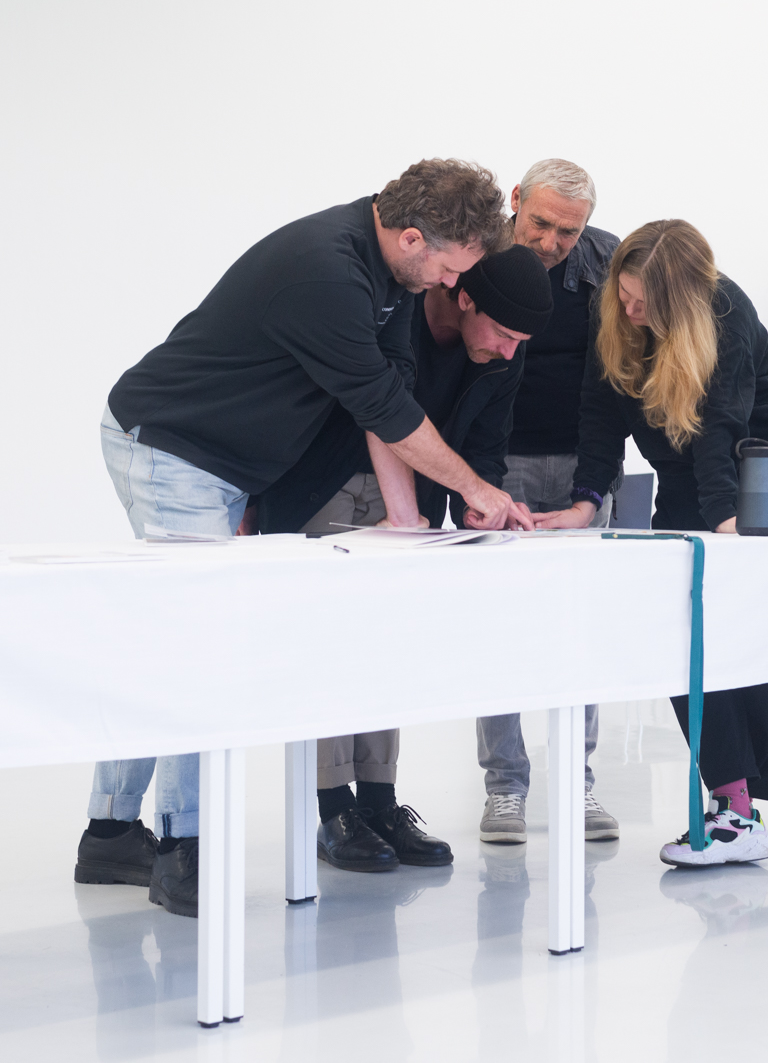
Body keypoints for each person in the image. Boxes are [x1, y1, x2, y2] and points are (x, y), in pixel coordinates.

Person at [74, 159, 521, 917]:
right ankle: (186, 850)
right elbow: (384, 407)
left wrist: (407, 522)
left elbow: (389, 397)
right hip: (173, 450)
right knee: (199, 648)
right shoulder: (328, 273)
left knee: (167, 641)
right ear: (414, 238)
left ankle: (111, 833)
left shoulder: (392, 274)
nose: (452, 284)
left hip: (219, 463)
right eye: (451, 268)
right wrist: (476, 490)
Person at [534, 220, 768, 867]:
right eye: (623, 295)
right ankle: (734, 804)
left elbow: (722, 424)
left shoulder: (725, 310)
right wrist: (585, 500)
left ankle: (739, 813)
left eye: (643, 302)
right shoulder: (615, 313)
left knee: (756, 636)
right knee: (681, 633)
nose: (629, 310)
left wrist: (725, 524)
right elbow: (598, 411)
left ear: (679, 300)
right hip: (689, 475)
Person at [259, 244, 554, 872]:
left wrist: (481, 501)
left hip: (411, 500)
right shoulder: (397, 313)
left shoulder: (505, 350)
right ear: (464, 297)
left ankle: (379, 802)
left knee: (382, 644)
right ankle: (333, 809)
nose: (509, 352)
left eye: (519, 342)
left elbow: (488, 441)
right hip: (325, 481)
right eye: (503, 336)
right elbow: (369, 408)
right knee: (330, 644)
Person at [475, 159, 623, 846]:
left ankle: (577, 782)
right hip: (494, 465)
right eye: (539, 224)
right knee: (500, 628)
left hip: (580, 469)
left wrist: (594, 488)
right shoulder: (479, 253)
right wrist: (473, 481)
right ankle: (504, 787)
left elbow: (613, 388)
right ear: (515, 202)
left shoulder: (608, 264)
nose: (551, 242)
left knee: (580, 628)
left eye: (569, 231)